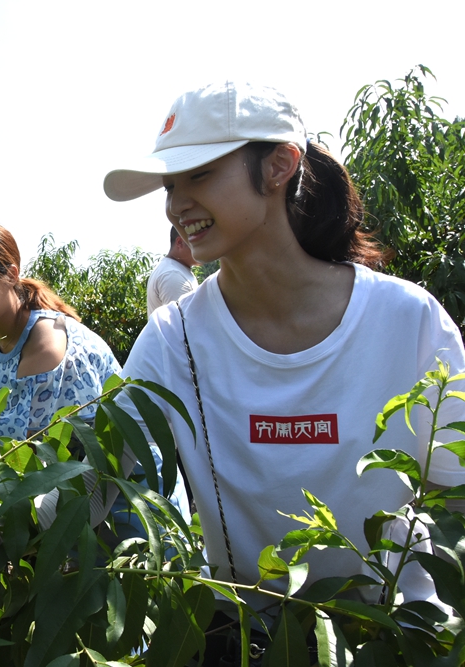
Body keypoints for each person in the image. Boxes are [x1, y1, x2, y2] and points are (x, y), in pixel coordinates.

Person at [102, 81, 465, 654]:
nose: (176, 205)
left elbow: (454, 498)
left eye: (198, 176)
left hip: (397, 634)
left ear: (278, 166)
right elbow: (95, 474)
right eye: (170, 186)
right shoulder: (175, 340)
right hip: (249, 639)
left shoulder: (408, 321)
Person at [0, 217, 189, 583]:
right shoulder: (2, 343)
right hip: (79, 511)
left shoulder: (44, 342)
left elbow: (14, 455)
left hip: (128, 514)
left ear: (11, 274)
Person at [147, 225, 199, 315]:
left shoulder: (174, 269)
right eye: (197, 241)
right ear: (179, 243)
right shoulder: (173, 275)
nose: (205, 246)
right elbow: (183, 326)